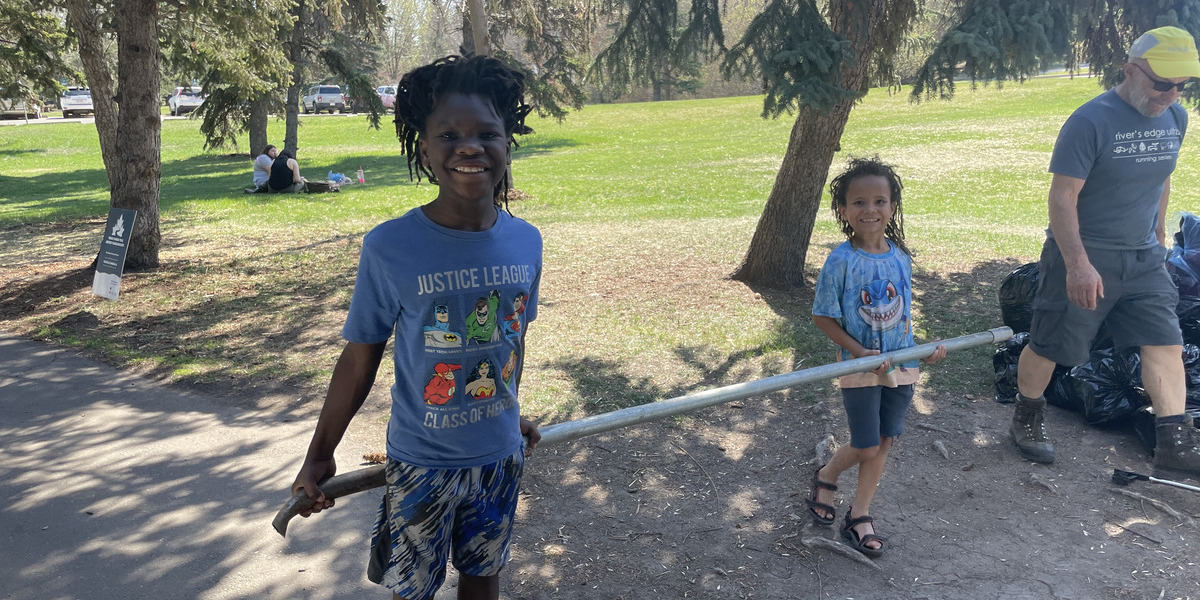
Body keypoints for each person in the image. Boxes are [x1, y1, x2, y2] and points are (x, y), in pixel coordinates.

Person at [289, 54, 542, 600]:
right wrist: (319, 454)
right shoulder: (391, 247)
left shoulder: (527, 242)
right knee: (415, 591)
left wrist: (508, 413)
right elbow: (360, 358)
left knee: (483, 577)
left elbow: (511, 340)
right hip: (421, 464)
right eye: (448, 134)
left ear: (506, 143)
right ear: (423, 150)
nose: (469, 146)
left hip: (498, 458)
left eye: (486, 134)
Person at [1009, 26, 1200, 481]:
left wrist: (1157, 233)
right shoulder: (1090, 121)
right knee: (1051, 344)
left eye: (1182, 85)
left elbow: (1161, 175)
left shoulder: (1176, 118)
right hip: (1085, 255)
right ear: (1131, 70)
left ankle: (1174, 444)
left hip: (1143, 258)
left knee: (1166, 342)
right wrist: (1077, 264)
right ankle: (1026, 415)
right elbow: (1062, 197)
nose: (1171, 94)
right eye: (1161, 83)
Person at [807, 157, 947, 558]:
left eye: (880, 201)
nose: (870, 210)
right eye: (859, 202)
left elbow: (900, 314)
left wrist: (925, 348)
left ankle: (860, 513)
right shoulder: (841, 260)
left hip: (903, 366)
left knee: (886, 440)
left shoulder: (900, 257)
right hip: (861, 368)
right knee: (866, 445)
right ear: (843, 210)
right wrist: (859, 352)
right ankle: (828, 474)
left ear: (892, 207)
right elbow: (822, 316)